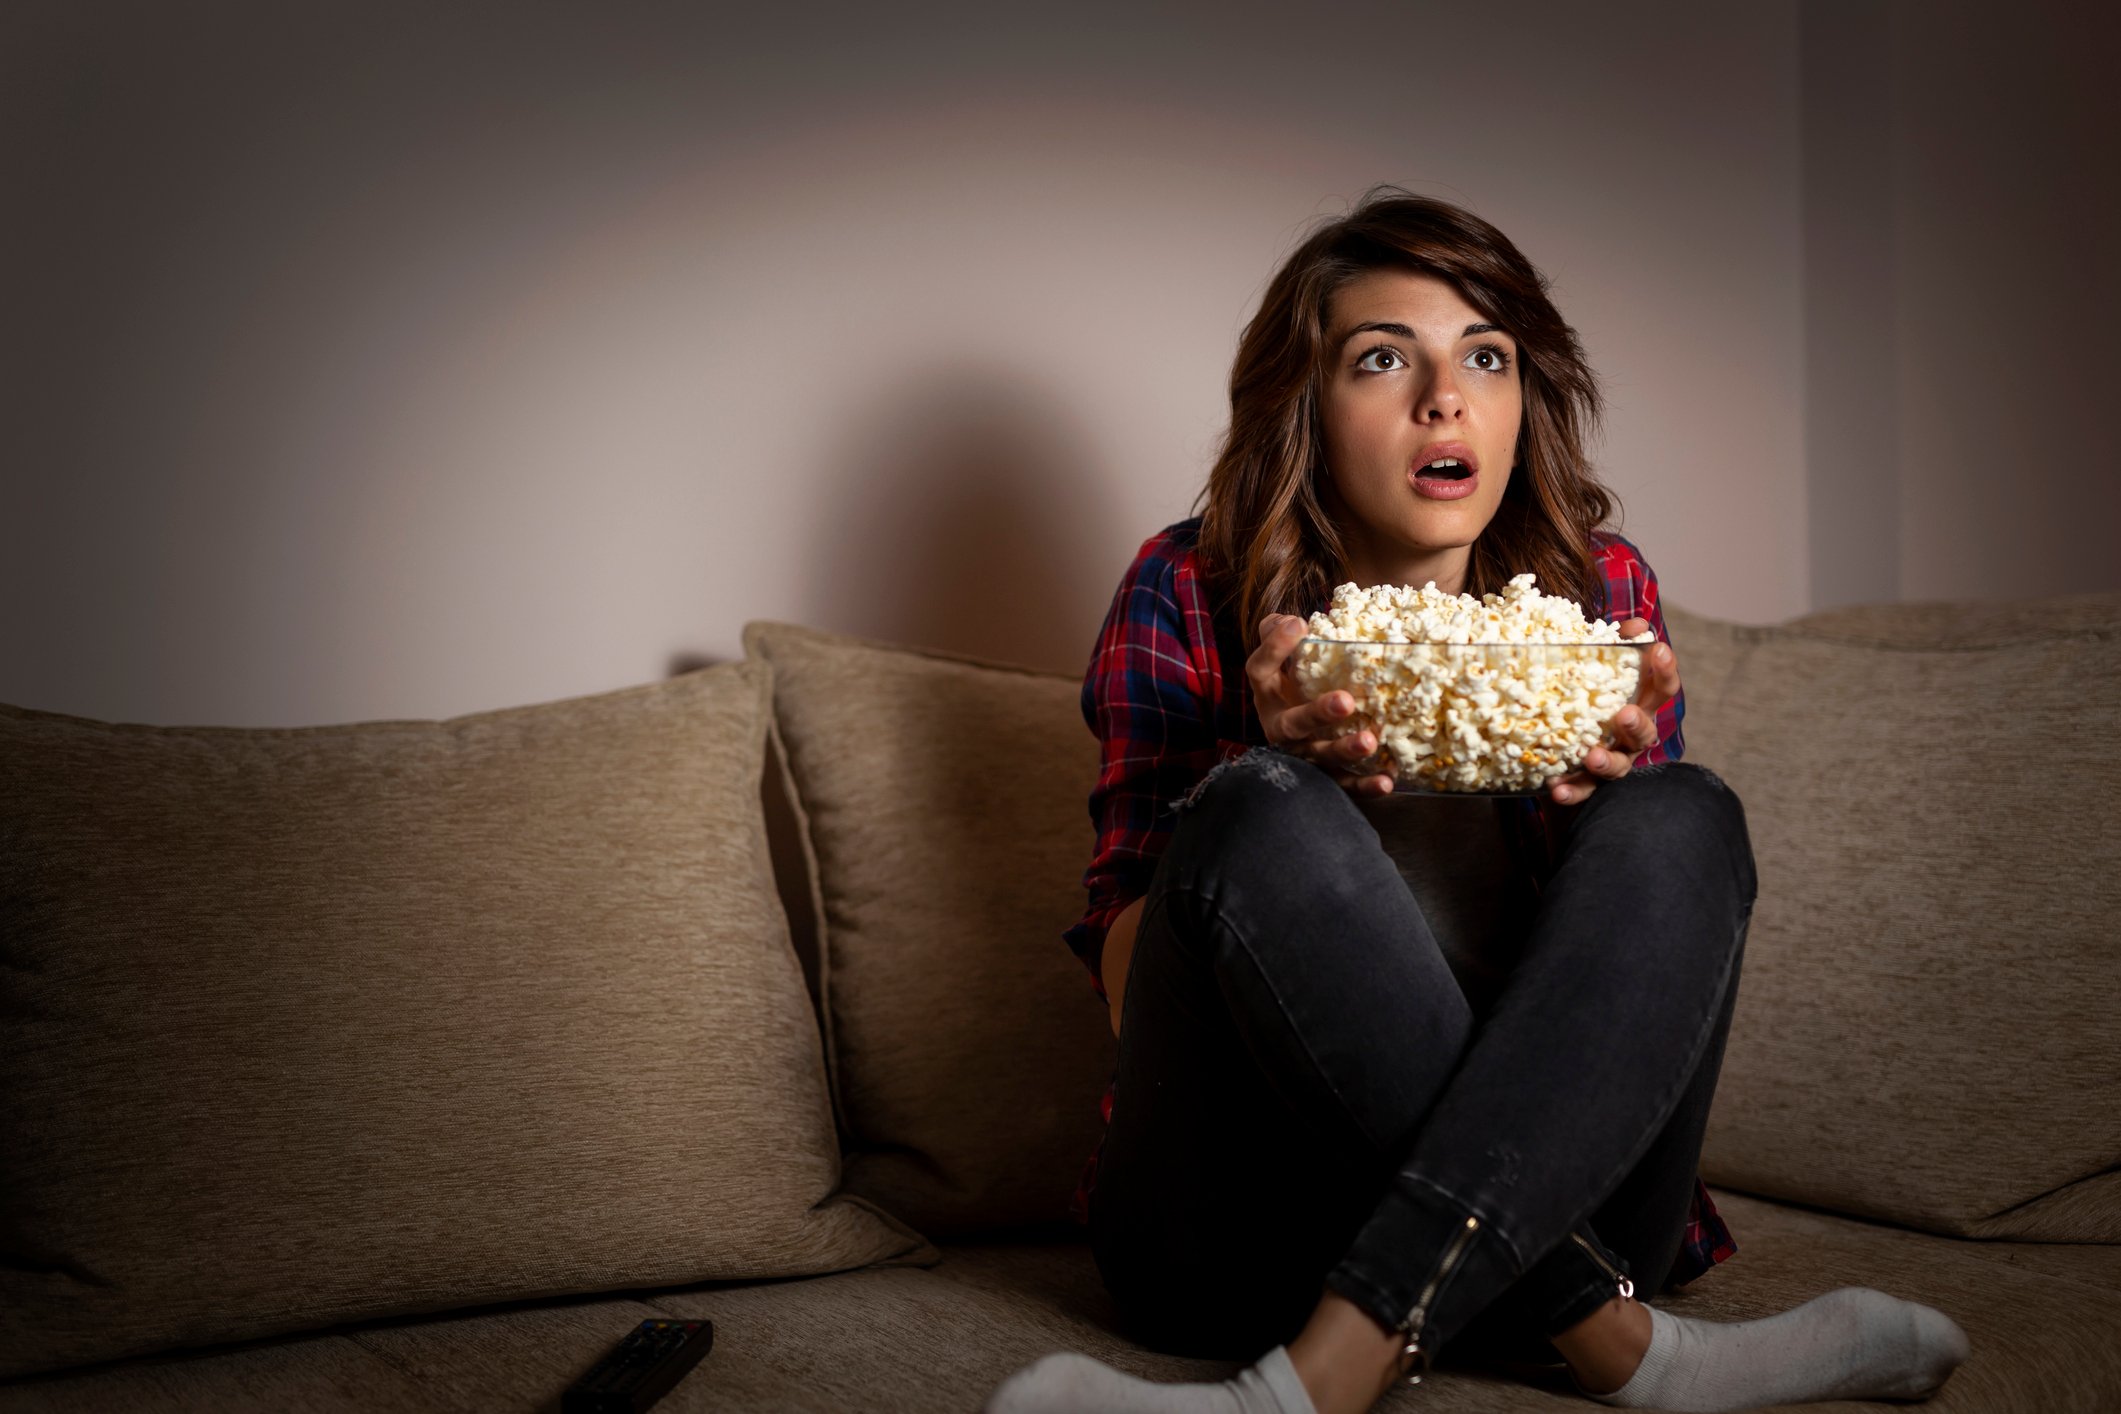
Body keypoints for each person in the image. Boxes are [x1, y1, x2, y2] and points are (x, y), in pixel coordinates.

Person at [982, 188, 1969, 1414]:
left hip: (1568, 1193)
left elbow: (1640, 1000)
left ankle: (1310, 1385)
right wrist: (1277, 780)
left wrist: (1591, 791)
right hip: (1239, 1236)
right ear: (1307, 406)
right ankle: (1623, 1348)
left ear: (1521, 405)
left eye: (1486, 357)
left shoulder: (1602, 592)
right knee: (1254, 804)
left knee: (1684, 815)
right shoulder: (1186, 586)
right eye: (1383, 357)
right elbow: (1132, 984)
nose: (1443, 397)